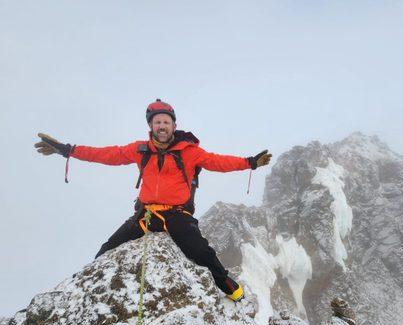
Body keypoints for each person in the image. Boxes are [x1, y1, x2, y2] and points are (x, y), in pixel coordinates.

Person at [35, 99, 272, 302]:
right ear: (150, 125)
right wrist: (66, 150)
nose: (162, 126)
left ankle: (231, 289)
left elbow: (218, 162)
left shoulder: (189, 151)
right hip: (145, 214)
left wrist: (250, 162)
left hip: (177, 214)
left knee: (202, 253)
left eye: (166, 122)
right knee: (107, 249)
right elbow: (105, 154)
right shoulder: (141, 150)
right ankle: (86, 291)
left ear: (174, 126)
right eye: (157, 122)